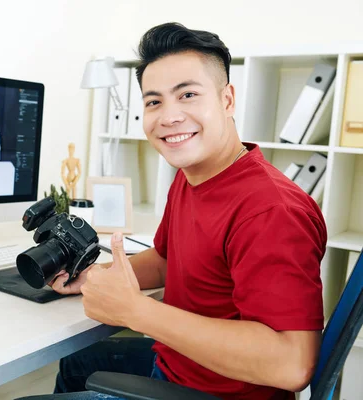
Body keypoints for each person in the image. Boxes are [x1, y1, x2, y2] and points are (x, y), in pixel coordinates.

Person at [40, 22, 327, 400]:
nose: (169, 117)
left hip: (217, 393)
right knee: (77, 363)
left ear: (227, 101)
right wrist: (93, 277)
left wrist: (134, 311)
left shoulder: (270, 210)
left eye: (188, 95)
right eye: (154, 101)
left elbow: (291, 365)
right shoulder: (192, 174)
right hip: (178, 363)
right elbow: (165, 260)